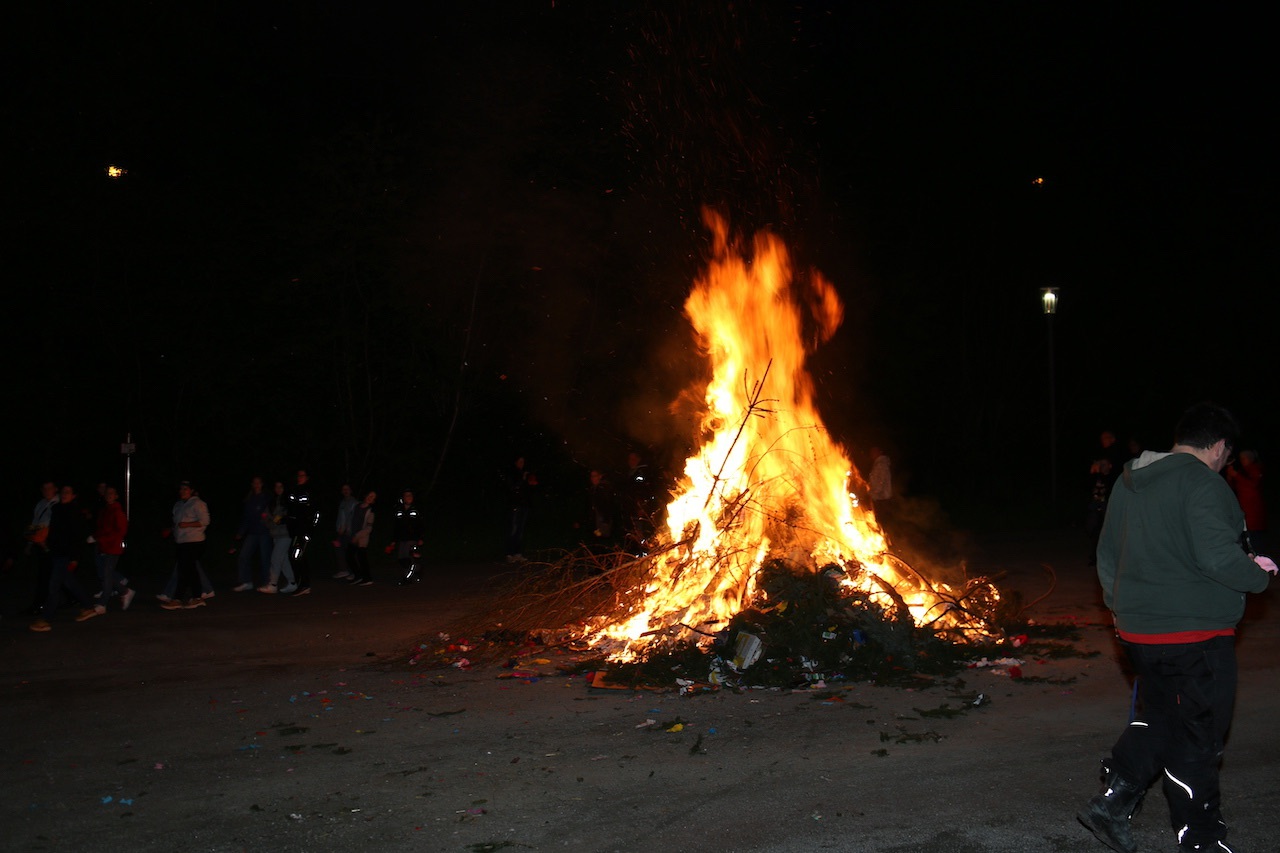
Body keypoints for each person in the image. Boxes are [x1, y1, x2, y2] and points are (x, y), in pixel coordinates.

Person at [1078, 402, 1277, 853]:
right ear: (1220, 446)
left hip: (1138, 632)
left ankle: (1114, 801)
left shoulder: (1129, 482)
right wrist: (1257, 575)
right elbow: (1217, 557)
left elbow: (1107, 554)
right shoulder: (1203, 483)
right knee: (1198, 738)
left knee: (1163, 717)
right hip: (1195, 635)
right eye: (1227, 456)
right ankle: (1201, 841)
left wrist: (1118, 607)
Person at [30, 484, 103, 631]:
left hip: (66, 554)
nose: (64, 494)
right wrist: (46, 544)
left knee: (54, 585)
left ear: (73, 496)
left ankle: (46, 618)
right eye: (63, 491)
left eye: (68, 492)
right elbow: (54, 532)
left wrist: (75, 557)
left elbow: (77, 537)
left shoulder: (74, 512)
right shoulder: (57, 509)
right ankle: (88, 606)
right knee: (69, 582)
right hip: (56, 552)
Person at [162, 481, 211, 610]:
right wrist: (171, 529)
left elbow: (205, 521)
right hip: (181, 542)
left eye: (186, 489)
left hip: (195, 541)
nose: (182, 491)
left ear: (191, 491)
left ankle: (179, 598)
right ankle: (195, 597)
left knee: (186, 570)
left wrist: (188, 524)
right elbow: (177, 523)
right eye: (181, 489)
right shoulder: (178, 505)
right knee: (188, 570)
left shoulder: (198, 503)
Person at [93, 485, 135, 610]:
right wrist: (96, 537)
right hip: (103, 546)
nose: (109, 495)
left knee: (107, 574)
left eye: (112, 493)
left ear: (116, 496)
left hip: (113, 547)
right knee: (105, 573)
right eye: (107, 493)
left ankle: (103, 603)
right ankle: (124, 590)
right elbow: (101, 529)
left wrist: (101, 539)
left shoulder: (117, 511)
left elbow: (120, 532)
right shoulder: (105, 511)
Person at [22, 481, 58, 615]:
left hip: (50, 543)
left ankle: (40, 604)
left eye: (49, 488)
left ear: (55, 489)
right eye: (44, 488)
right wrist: (30, 543)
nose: (47, 491)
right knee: (46, 574)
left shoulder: (58, 503)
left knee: (48, 574)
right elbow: (35, 522)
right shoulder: (40, 504)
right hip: (39, 542)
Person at [232, 476, 273, 592]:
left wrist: (268, 523)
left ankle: (267, 583)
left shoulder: (266, 497)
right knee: (243, 556)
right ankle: (246, 581)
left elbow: (271, 513)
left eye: (258, 482)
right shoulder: (249, 499)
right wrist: (241, 532)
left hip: (264, 532)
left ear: (262, 484)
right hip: (252, 532)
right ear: (252, 484)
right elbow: (246, 517)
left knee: (265, 558)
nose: (257, 485)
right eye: (255, 483)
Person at [1225, 449, 1267, 556]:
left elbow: (1253, 484)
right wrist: (1230, 477)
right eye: (1241, 459)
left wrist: (1236, 475)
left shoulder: (1256, 469)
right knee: (1248, 537)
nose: (1242, 461)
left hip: (1255, 510)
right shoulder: (1242, 471)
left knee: (1256, 539)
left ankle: (1260, 559)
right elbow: (1233, 488)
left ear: (1250, 458)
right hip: (1245, 510)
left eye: (1244, 458)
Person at [258, 480, 297, 594]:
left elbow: (291, 516)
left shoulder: (289, 501)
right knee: (283, 560)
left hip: (285, 534)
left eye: (281, 487)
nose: (278, 489)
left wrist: (281, 520)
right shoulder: (272, 501)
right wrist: (271, 522)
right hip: (275, 534)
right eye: (276, 487)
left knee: (275, 558)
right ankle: (292, 583)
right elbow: (265, 516)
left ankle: (273, 584)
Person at [285, 469, 320, 596]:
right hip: (296, 531)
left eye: (302, 475)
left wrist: (310, 531)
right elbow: (292, 512)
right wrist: (285, 520)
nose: (299, 477)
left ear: (307, 477)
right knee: (295, 556)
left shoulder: (310, 492)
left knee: (296, 556)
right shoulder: (294, 491)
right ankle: (302, 584)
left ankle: (304, 584)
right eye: (298, 475)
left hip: (304, 531)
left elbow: (316, 513)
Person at [389, 489, 425, 584]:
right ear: (403, 498)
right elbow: (396, 527)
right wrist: (393, 540)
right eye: (406, 495)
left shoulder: (416, 509)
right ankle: (417, 570)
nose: (408, 497)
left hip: (412, 538)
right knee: (402, 559)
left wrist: (421, 538)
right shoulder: (399, 510)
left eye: (410, 495)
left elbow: (421, 525)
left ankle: (407, 578)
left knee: (410, 558)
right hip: (402, 539)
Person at [505, 457, 536, 563]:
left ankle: (518, 553)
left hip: (524, 505)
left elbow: (528, 490)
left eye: (523, 461)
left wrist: (531, 483)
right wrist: (522, 479)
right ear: (516, 462)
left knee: (520, 530)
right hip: (515, 505)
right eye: (520, 461)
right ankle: (509, 553)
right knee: (513, 529)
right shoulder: (512, 473)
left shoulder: (525, 473)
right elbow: (512, 487)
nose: (522, 463)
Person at [345, 490, 376, 586]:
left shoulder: (371, 511)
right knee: (349, 556)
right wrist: (348, 530)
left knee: (362, 558)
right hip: (352, 535)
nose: (370, 498)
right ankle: (358, 576)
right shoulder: (356, 506)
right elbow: (350, 518)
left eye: (372, 497)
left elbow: (369, 528)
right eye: (369, 495)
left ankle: (367, 578)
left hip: (361, 538)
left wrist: (357, 536)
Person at [331, 483, 358, 580]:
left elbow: (353, 517)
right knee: (339, 550)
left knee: (350, 552)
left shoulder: (354, 502)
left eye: (347, 489)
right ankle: (343, 570)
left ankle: (354, 572)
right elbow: (340, 517)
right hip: (340, 532)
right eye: (344, 489)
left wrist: (347, 528)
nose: (345, 491)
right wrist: (338, 528)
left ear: (351, 491)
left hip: (349, 532)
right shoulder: (342, 502)